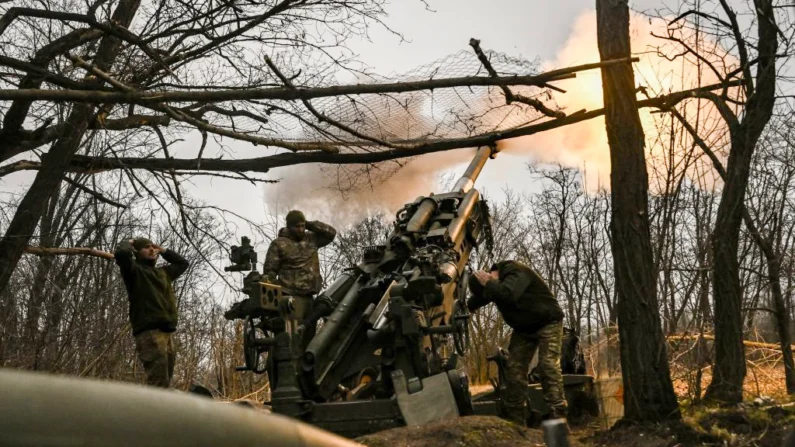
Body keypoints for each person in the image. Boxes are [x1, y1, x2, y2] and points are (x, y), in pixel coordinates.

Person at [467, 260, 567, 425]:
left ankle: (558, 415)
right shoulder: (495, 284)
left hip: (547, 321)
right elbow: (487, 295)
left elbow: (508, 294)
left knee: (548, 365)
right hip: (524, 329)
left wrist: (489, 284)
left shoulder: (514, 270)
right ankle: (516, 422)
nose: (490, 297)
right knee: (514, 369)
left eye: (489, 288)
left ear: (491, 276)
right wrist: (469, 305)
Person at [114, 237, 189, 388]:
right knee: (157, 383)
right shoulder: (134, 271)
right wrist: (129, 243)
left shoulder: (163, 273)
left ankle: (161, 410)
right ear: (137, 252)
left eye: (152, 247)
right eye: (146, 247)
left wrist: (163, 250)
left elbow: (183, 263)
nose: (151, 249)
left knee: (165, 382)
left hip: (166, 332)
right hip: (149, 332)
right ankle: (152, 411)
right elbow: (122, 254)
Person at [262, 210, 336, 347]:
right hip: (290, 300)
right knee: (292, 341)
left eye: (302, 226)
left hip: (309, 299)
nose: (301, 229)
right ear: (289, 227)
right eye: (297, 226)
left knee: (309, 341)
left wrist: (309, 224)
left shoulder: (311, 239)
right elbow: (270, 272)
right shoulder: (279, 244)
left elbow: (331, 233)